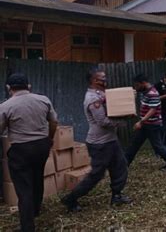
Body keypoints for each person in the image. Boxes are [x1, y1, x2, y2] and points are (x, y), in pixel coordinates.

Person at [61, 68, 131, 212]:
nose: (105, 80)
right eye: (102, 78)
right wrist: (122, 123)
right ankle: (71, 199)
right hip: (100, 143)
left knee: (120, 166)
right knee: (97, 174)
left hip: (110, 139)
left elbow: (114, 104)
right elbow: (102, 121)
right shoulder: (92, 99)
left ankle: (116, 195)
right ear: (94, 81)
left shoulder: (102, 94)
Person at [0, 73, 58, 232]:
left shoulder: (6, 106)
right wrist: (50, 139)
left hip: (21, 150)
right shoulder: (43, 100)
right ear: (29, 86)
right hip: (41, 146)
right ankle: (35, 210)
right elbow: (54, 122)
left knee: (24, 187)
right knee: (37, 177)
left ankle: (27, 227)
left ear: (8, 88)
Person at [125, 74, 166, 170]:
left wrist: (141, 122)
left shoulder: (153, 93)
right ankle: (125, 163)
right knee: (135, 143)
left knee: (158, 146)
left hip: (153, 124)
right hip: (146, 124)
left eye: (137, 85)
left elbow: (152, 110)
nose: (136, 87)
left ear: (143, 83)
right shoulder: (145, 91)